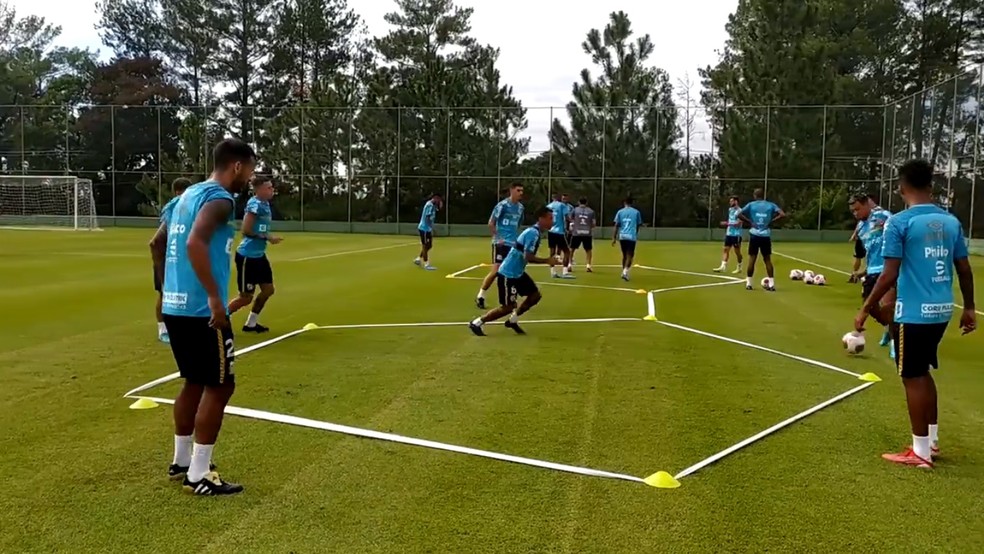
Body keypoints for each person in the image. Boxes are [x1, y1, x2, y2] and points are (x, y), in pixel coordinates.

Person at [150, 138, 256, 495]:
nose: (250, 178)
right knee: (221, 384)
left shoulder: (186, 195)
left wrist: (168, 288)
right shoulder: (219, 199)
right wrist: (214, 298)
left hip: (176, 307)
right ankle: (198, 474)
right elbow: (195, 243)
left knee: (193, 381)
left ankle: (181, 461)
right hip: (201, 311)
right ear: (237, 166)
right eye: (250, 169)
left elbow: (157, 243)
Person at [855, 159, 976, 469]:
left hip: (913, 313)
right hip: (942, 310)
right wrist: (970, 308)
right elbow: (963, 268)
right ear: (931, 186)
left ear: (901, 188)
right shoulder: (950, 222)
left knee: (912, 376)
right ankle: (930, 442)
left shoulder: (899, 222)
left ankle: (919, 452)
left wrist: (866, 309)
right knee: (923, 373)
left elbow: (888, 274)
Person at [469, 207, 558, 336]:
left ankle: (513, 320)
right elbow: (528, 257)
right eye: (550, 218)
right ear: (541, 218)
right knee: (508, 306)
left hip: (518, 273)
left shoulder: (536, 233)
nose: (552, 221)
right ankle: (477, 322)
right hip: (508, 274)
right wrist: (547, 261)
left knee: (535, 295)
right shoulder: (532, 233)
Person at [228, 174, 281, 333]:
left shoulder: (264, 205)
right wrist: (267, 237)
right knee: (245, 297)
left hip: (259, 256)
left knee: (268, 290)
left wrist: (266, 236)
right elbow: (246, 230)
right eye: (268, 188)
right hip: (247, 257)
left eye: (272, 187)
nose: (272, 190)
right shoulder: (255, 205)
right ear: (258, 190)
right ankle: (215, 320)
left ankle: (251, 323)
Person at [850, 194, 893, 349]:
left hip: (889, 268)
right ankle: (890, 327)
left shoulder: (883, 217)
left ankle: (896, 343)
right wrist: (864, 272)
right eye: (853, 211)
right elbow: (872, 251)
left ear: (867, 205)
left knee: (888, 305)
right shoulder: (861, 229)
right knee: (872, 309)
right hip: (872, 271)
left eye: (857, 209)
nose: (855, 213)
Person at [153, 177, 192, 343]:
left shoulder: (185, 206)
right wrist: (160, 266)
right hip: (168, 259)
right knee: (164, 293)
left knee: (182, 294)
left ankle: (180, 327)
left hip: (179, 258)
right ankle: (162, 329)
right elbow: (155, 242)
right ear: (178, 192)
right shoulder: (175, 206)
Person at [476, 183, 524, 309]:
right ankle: (481, 296)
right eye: (518, 190)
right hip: (501, 244)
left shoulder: (520, 208)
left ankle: (509, 299)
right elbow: (491, 223)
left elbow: (518, 224)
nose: (520, 193)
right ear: (511, 191)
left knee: (512, 272)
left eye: (522, 191)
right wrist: (498, 238)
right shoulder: (502, 205)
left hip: (513, 244)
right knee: (496, 271)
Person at [738, 189, 784, 291]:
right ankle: (771, 284)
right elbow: (782, 214)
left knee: (752, 259)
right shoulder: (771, 205)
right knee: (767, 260)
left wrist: (750, 222)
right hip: (765, 235)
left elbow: (739, 214)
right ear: (764, 196)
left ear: (755, 195)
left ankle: (749, 284)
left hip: (754, 234)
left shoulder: (751, 205)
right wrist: (771, 221)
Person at [612, 197, 643, 281]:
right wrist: (635, 233)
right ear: (632, 203)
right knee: (630, 255)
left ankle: (624, 271)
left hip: (622, 236)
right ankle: (625, 272)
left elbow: (616, 225)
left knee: (624, 255)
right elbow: (638, 224)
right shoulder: (636, 212)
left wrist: (614, 237)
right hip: (631, 236)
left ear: (624, 202)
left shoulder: (620, 212)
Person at [546, 193, 574, 279]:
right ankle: (565, 272)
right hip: (559, 231)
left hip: (551, 231)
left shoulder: (548, 206)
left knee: (552, 252)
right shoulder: (562, 205)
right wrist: (572, 222)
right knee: (567, 251)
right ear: (558, 197)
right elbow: (566, 217)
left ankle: (553, 272)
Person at [713, 195, 744, 274]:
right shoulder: (730, 210)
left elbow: (739, 224)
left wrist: (727, 223)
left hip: (736, 234)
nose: (730, 202)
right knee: (725, 249)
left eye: (732, 201)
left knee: (737, 252)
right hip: (729, 233)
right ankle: (723, 266)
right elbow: (731, 220)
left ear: (736, 201)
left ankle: (739, 266)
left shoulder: (740, 211)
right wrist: (728, 224)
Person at [414, 193, 442, 270]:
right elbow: (427, 216)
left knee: (429, 245)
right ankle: (426, 264)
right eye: (438, 200)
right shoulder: (430, 205)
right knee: (425, 245)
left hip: (427, 229)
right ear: (435, 198)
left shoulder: (432, 205)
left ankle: (418, 259)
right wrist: (431, 227)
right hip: (424, 228)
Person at [569, 197, 596, 272]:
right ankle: (588, 266)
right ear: (586, 203)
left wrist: (573, 225)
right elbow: (594, 224)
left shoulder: (575, 210)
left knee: (572, 249)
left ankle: (569, 265)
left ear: (578, 202)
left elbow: (570, 219)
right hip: (587, 233)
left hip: (577, 232)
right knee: (588, 250)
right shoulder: (591, 211)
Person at [849, 218, 866, 283]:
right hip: (861, 238)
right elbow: (859, 224)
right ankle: (854, 274)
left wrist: (854, 235)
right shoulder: (864, 217)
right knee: (858, 257)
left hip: (869, 238)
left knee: (869, 256)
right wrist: (854, 235)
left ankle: (857, 275)